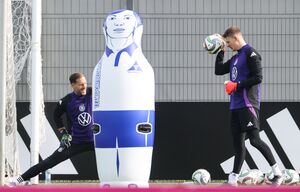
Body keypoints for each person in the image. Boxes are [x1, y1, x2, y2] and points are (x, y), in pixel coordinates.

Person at [214, 26, 283, 186]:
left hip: (248, 104)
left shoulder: (251, 53)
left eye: (229, 42)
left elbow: (258, 77)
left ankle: (277, 174)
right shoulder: (235, 58)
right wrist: (221, 50)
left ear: (236, 38)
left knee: (254, 140)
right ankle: (232, 180)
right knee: (238, 145)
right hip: (235, 107)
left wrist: (236, 86)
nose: (229, 45)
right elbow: (218, 70)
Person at [9, 72, 95, 186]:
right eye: (80, 84)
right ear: (73, 85)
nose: (84, 86)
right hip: (75, 142)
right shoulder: (66, 101)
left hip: (95, 140)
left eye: (85, 83)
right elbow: (56, 115)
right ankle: (18, 180)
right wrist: (64, 133)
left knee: (119, 151)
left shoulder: (92, 93)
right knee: (49, 162)